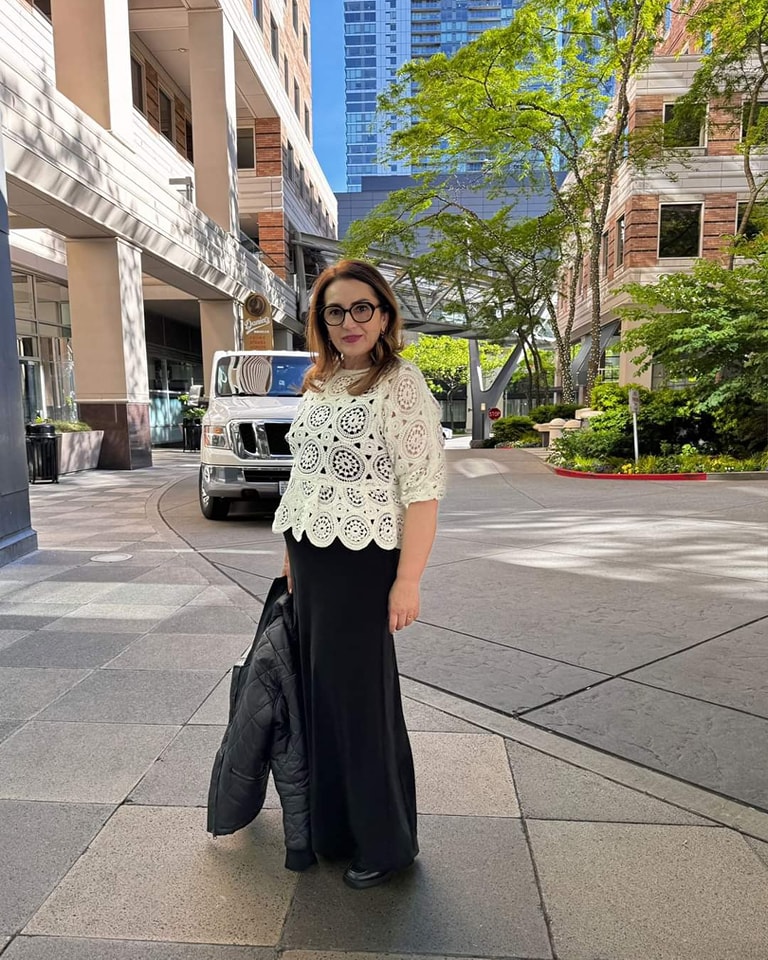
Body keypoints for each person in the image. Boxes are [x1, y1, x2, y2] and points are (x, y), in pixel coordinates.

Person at [272, 258, 447, 890]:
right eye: (334, 311)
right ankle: (334, 829)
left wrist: (408, 580)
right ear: (320, 321)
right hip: (311, 557)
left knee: (360, 704)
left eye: (361, 308)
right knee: (320, 697)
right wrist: (290, 557)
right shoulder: (320, 382)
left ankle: (384, 841)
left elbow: (422, 489)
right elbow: (306, 475)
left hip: (363, 561)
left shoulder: (400, 382)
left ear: (384, 314)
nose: (349, 321)